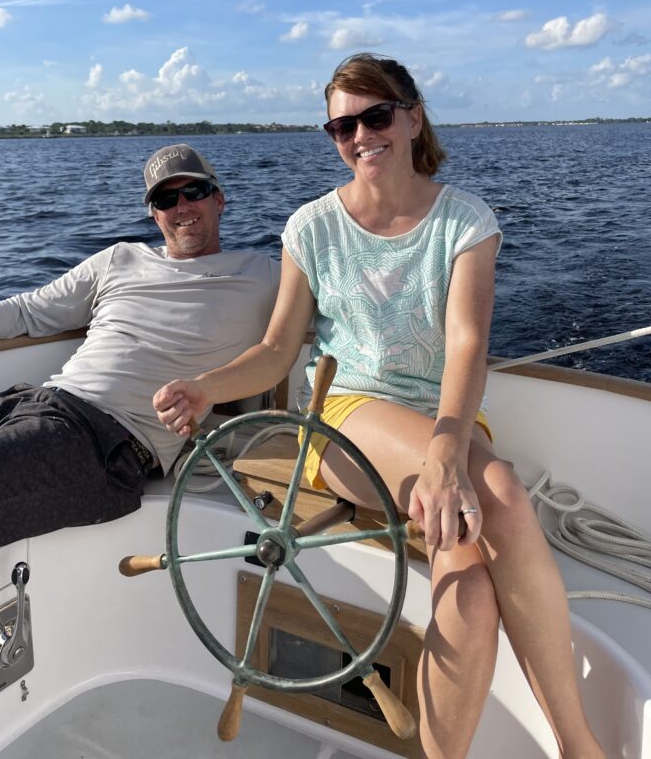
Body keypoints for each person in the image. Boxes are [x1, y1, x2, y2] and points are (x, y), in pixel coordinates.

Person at [153, 57, 604, 759]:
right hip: (345, 414)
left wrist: (446, 454)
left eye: (376, 116)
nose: (360, 135)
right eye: (343, 126)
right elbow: (277, 349)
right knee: (501, 492)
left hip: (447, 423)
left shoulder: (465, 222)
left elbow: (466, 344)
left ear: (413, 117)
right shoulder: (311, 228)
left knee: (474, 582)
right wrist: (208, 386)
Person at [0, 144, 279, 564]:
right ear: (154, 214)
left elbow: (302, 332)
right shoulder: (120, 259)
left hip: (105, 444)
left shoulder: (265, 275)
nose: (181, 206)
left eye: (194, 192)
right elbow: (24, 311)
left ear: (219, 199)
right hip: (30, 402)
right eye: (166, 199)